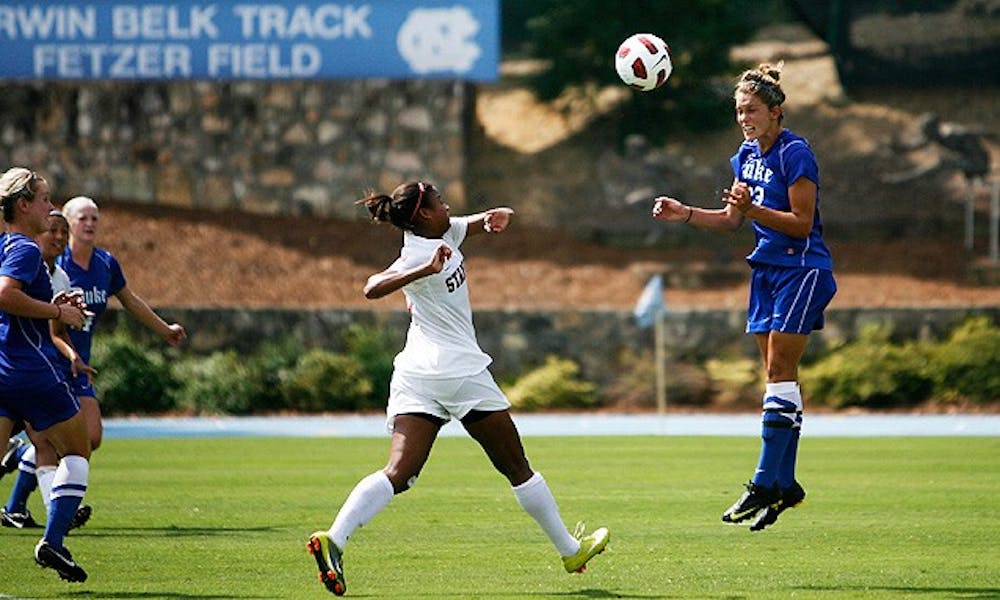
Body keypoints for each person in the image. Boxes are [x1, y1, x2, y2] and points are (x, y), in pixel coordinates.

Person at [307, 181, 609, 596]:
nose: (448, 205)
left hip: (417, 373)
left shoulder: (439, 230)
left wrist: (486, 221)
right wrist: (422, 270)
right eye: (440, 202)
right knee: (517, 468)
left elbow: (461, 225)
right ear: (424, 215)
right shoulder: (417, 253)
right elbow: (371, 287)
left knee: (399, 472)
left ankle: (334, 540)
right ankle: (571, 550)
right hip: (459, 372)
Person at [651, 63, 836, 531]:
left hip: (802, 268)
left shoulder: (797, 153)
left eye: (751, 110)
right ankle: (786, 484)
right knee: (780, 378)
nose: (744, 118)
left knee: (778, 373)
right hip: (766, 270)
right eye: (738, 111)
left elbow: (800, 221)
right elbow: (735, 221)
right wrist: (686, 213)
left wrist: (752, 208)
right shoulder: (744, 155)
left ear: (776, 111)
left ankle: (761, 483)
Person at [53, 195, 186, 520]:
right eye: (83, 217)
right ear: (67, 223)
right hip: (52, 357)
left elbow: (130, 301)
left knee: (90, 437)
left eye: (95, 218)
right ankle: (55, 510)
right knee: (58, 442)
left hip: (81, 363)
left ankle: (22, 476)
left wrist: (164, 329)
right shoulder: (57, 264)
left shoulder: (105, 264)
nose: (90, 223)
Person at [0, 167, 92, 581]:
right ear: (23, 205)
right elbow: (5, 295)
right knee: (78, 450)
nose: (50, 207)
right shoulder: (25, 247)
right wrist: (59, 311)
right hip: (32, 371)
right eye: (43, 200)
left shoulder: (4, 246)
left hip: (1, 369)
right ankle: (53, 542)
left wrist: (53, 299)